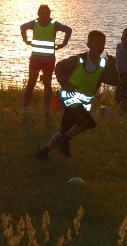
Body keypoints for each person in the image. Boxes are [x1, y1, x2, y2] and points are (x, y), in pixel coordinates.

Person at [34, 30, 119, 162]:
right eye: (97, 44)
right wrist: (65, 83)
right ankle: (64, 140)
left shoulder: (103, 65)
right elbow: (59, 67)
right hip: (68, 99)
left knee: (65, 130)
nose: (100, 47)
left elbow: (114, 81)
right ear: (88, 44)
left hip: (80, 103)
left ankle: (42, 153)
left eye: (102, 44)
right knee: (87, 122)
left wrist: (113, 67)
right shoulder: (79, 60)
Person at [20, 4, 72, 115]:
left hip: (49, 59)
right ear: (38, 14)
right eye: (42, 13)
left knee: (47, 84)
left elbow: (68, 30)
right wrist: (25, 40)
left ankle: (46, 109)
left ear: (49, 14)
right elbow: (22, 27)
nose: (44, 15)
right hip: (35, 58)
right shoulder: (34, 23)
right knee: (31, 83)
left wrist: (63, 44)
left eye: (47, 13)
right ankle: (25, 108)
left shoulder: (54, 24)